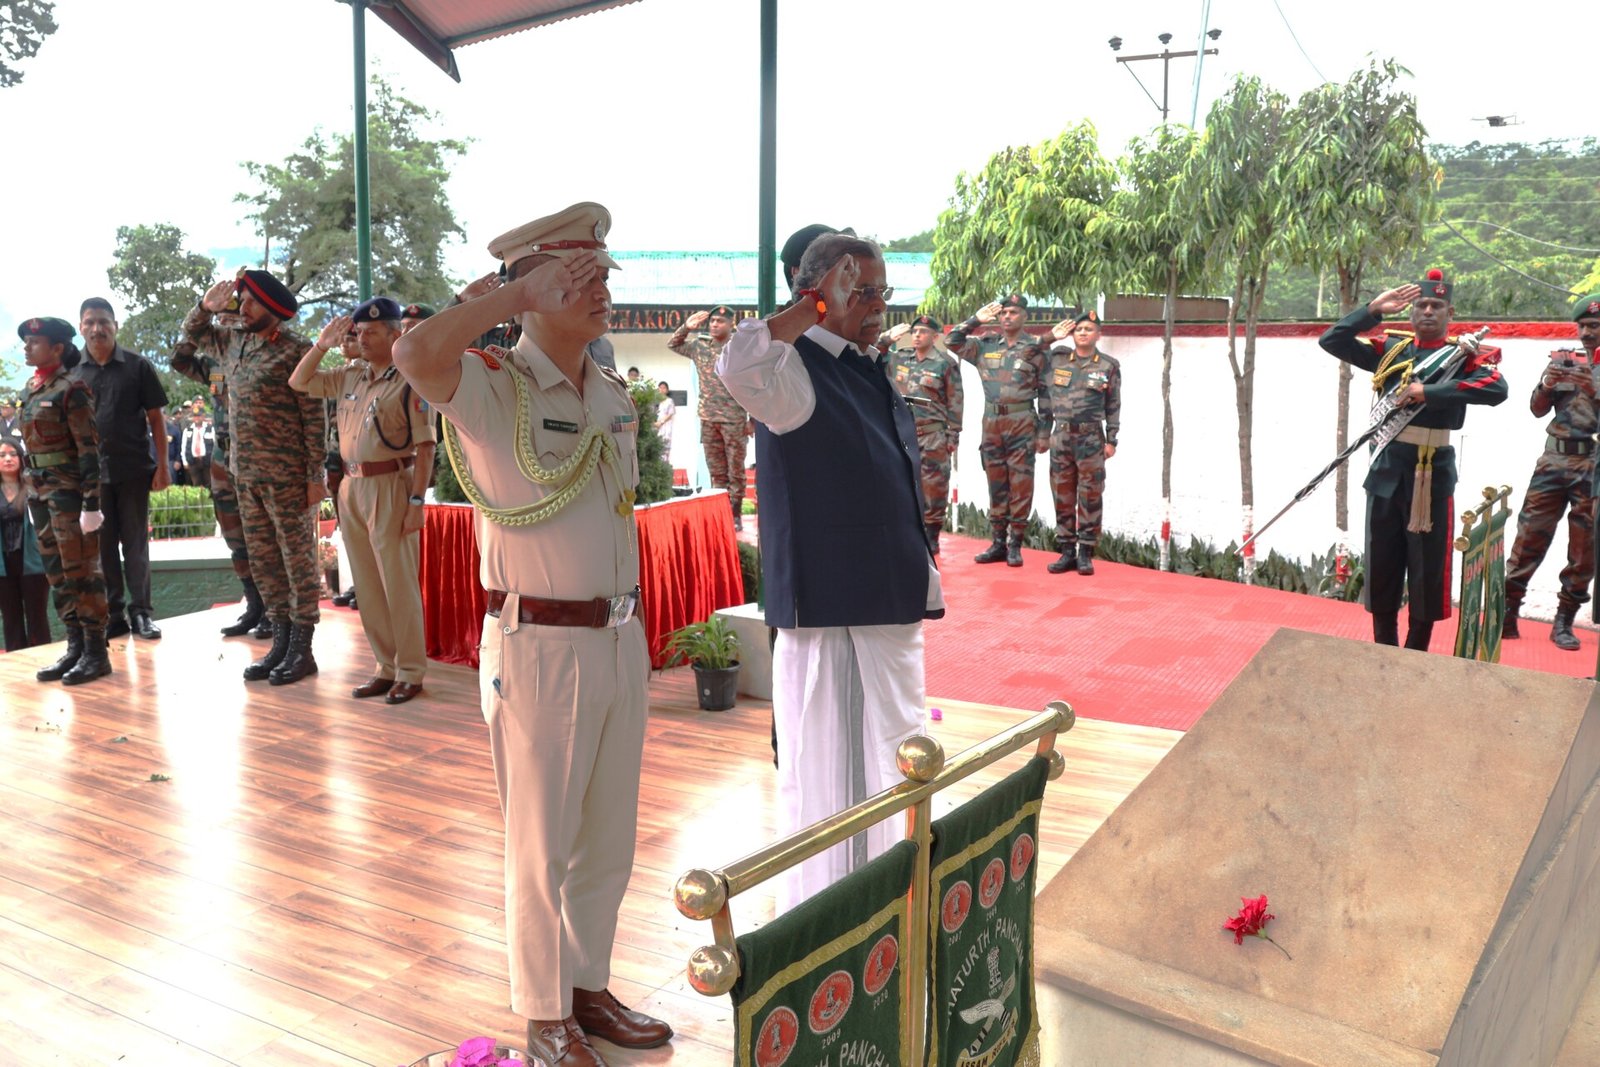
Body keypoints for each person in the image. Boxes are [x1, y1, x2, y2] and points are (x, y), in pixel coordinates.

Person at [393, 202, 672, 1067]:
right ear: (534, 287)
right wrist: (507, 295)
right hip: (538, 645)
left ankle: (588, 986)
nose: (601, 293)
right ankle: (545, 1011)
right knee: (540, 843)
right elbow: (413, 354)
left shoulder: (612, 390)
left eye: (602, 275)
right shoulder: (490, 386)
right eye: (577, 279)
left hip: (619, 638)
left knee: (609, 837)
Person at [717, 234, 941, 912]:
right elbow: (738, 362)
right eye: (859, 291)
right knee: (842, 791)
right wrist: (812, 307)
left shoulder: (862, 364)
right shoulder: (793, 369)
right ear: (818, 293)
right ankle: (845, 923)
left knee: (895, 768)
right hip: (838, 619)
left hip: (881, 611)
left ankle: (892, 912)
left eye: (881, 292)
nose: (875, 306)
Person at [1318, 269, 1507, 650]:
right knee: (1382, 561)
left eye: (1437, 306)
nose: (1428, 312)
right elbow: (1332, 340)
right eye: (1421, 305)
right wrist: (1372, 310)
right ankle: (1383, 645)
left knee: (1428, 567)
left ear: (1449, 313)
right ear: (1411, 313)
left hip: (1432, 472)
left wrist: (1430, 392)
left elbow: (1496, 389)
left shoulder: (1464, 355)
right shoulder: (1391, 349)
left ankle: (1417, 650)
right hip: (1386, 468)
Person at [291, 297, 436, 705]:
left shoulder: (411, 380)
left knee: (398, 584)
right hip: (351, 487)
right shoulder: (350, 376)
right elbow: (299, 381)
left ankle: (410, 670)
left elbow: (426, 448)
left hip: (391, 483)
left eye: (372, 332)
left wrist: (416, 500)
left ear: (396, 335)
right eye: (358, 332)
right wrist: (320, 345)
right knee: (368, 585)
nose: (362, 338)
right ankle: (385, 667)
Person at [184, 270, 326, 684]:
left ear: (273, 309)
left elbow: (314, 418)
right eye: (241, 301)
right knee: (265, 563)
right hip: (244, 475)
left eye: (249, 302)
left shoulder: (297, 351)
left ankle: (302, 649)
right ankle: (279, 644)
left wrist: (314, 474)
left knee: (297, 563)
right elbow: (192, 334)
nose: (241, 308)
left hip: (287, 477)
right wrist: (204, 307)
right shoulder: (233, 342)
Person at [1501, 295, 1600, 648]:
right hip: (1553, 461)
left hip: (1593, 465)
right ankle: (1508, 611)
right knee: (1529, 535)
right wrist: (1547, 383)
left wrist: (1595, 388)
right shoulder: (1565, 360)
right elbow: (1536, 409)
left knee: (1584, 546)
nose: (1587, 333)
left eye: (1595, 326)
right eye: (1583, 326)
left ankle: (1564, 621)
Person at [17, 317, 112, 685]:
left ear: (57, 348)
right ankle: (75, 645)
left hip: (69, 493)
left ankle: (96, 652)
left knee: (82, 572)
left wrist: (92, 505)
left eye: (34, 341)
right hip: (40, 491)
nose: (27, 346)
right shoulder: (31, 388)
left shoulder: (73, 389)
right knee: (57, 573)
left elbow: (89, 451)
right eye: (25, 341)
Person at [73, 297, 169, 640]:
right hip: (92, 477)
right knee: (103, 547)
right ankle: (114, 615)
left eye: (103, 321)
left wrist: (163, 466)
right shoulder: (73, 371)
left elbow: (156, 418)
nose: (97, 328)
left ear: (115, 325)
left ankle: (141, 612)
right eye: (90, 322)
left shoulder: (137, 365)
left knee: (135, 544)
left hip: (133, 470)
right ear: (81, 327)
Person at [172, 325, 268, 638]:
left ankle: (275, 610)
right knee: (234, 535)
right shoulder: (212, 362)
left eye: (234, 316)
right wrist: (199, 316)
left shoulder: (263, 354)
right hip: (222, 458)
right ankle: (254, 604)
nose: (228, 324)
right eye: (221, 317)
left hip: (256, 455)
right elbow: (179, 361)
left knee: (264, 535)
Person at [946, 295, 1049, 566]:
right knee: (996, 483)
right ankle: (998, 543)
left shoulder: (1036, 348)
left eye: (1013, 312)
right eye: (1003, 313)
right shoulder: (985, 345)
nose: (1007, 317)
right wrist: (976, 320)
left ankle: (1015, 544)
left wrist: (1044, 432)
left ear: (1025, 316)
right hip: (992, 422)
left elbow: (1047, 393)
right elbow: (951, 341)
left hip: (1022, 421)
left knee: (1021, 484)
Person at [1044, 310, 1121, 576]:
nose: (1083, 333)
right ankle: (1066, 551)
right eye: (1078, 329)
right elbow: (1030, 354)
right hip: (1062, 436)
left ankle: (1086, 552)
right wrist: (1051, 336)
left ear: (1099, 334)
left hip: (1090, 438)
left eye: (1089, 329)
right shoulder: (1057, 360)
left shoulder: (1108, 366)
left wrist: (1112, 439)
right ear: (1071, 333)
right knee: (1062, 494)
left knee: (1090, 495)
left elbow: (1113, 405)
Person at [885, 313, 964, 554]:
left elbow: (956, 401)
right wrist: (887, 338)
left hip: (933, 435)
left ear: (935, 336)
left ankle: (932, 534)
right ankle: (908, 531)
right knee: (903, 483)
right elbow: (872, 355)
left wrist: (953, 434)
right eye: (915, 332)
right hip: (903, 434)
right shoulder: (899, 358)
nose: (917, 336)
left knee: (934, 486)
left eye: (923, 332)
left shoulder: (944, 363)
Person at [668, 305, 750, 528]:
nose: (714, 324)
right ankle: (721, 513)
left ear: (731, 324)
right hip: (708, 418)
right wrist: (686, 327)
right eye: (712, 321)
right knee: (716, 470)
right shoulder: (699, 345)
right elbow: (673, 344)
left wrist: (753, 420)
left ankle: (735, 514)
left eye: (720, 321)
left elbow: (756, 383)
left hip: (734, 418)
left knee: (736, 470)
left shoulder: (741, 349)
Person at [0, 440, 51, 651]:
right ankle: (15, 664)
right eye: (2, 455)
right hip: (3, 565)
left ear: (21, 458)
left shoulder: (34, 487)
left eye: (12, 454)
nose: (8, 459)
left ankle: (42, 659)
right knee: (10, 617)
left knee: (37, 615)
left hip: (32, 560)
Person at [181, 407, 215, 491]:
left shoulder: (210, 429)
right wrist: (185, 461)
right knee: (196, 484)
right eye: (195, 416)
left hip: (207, 460)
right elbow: (183, 446)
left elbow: (215, 445)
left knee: (209, 483)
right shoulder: (188, 430)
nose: (197, 418)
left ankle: (208, 501)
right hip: (193, 461)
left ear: (203, 417)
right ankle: (199, 501)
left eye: (199, 416)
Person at [655, 380, 676, 466]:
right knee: (657, 448)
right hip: (657, 427)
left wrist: (661, 422)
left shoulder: (669, 401)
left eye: (664, 388)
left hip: (665, 427)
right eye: (660, 388)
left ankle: (665, 467)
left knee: (665, 448)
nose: (662, 390)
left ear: (667, 390)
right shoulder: (656, 401)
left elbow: (671, 414)